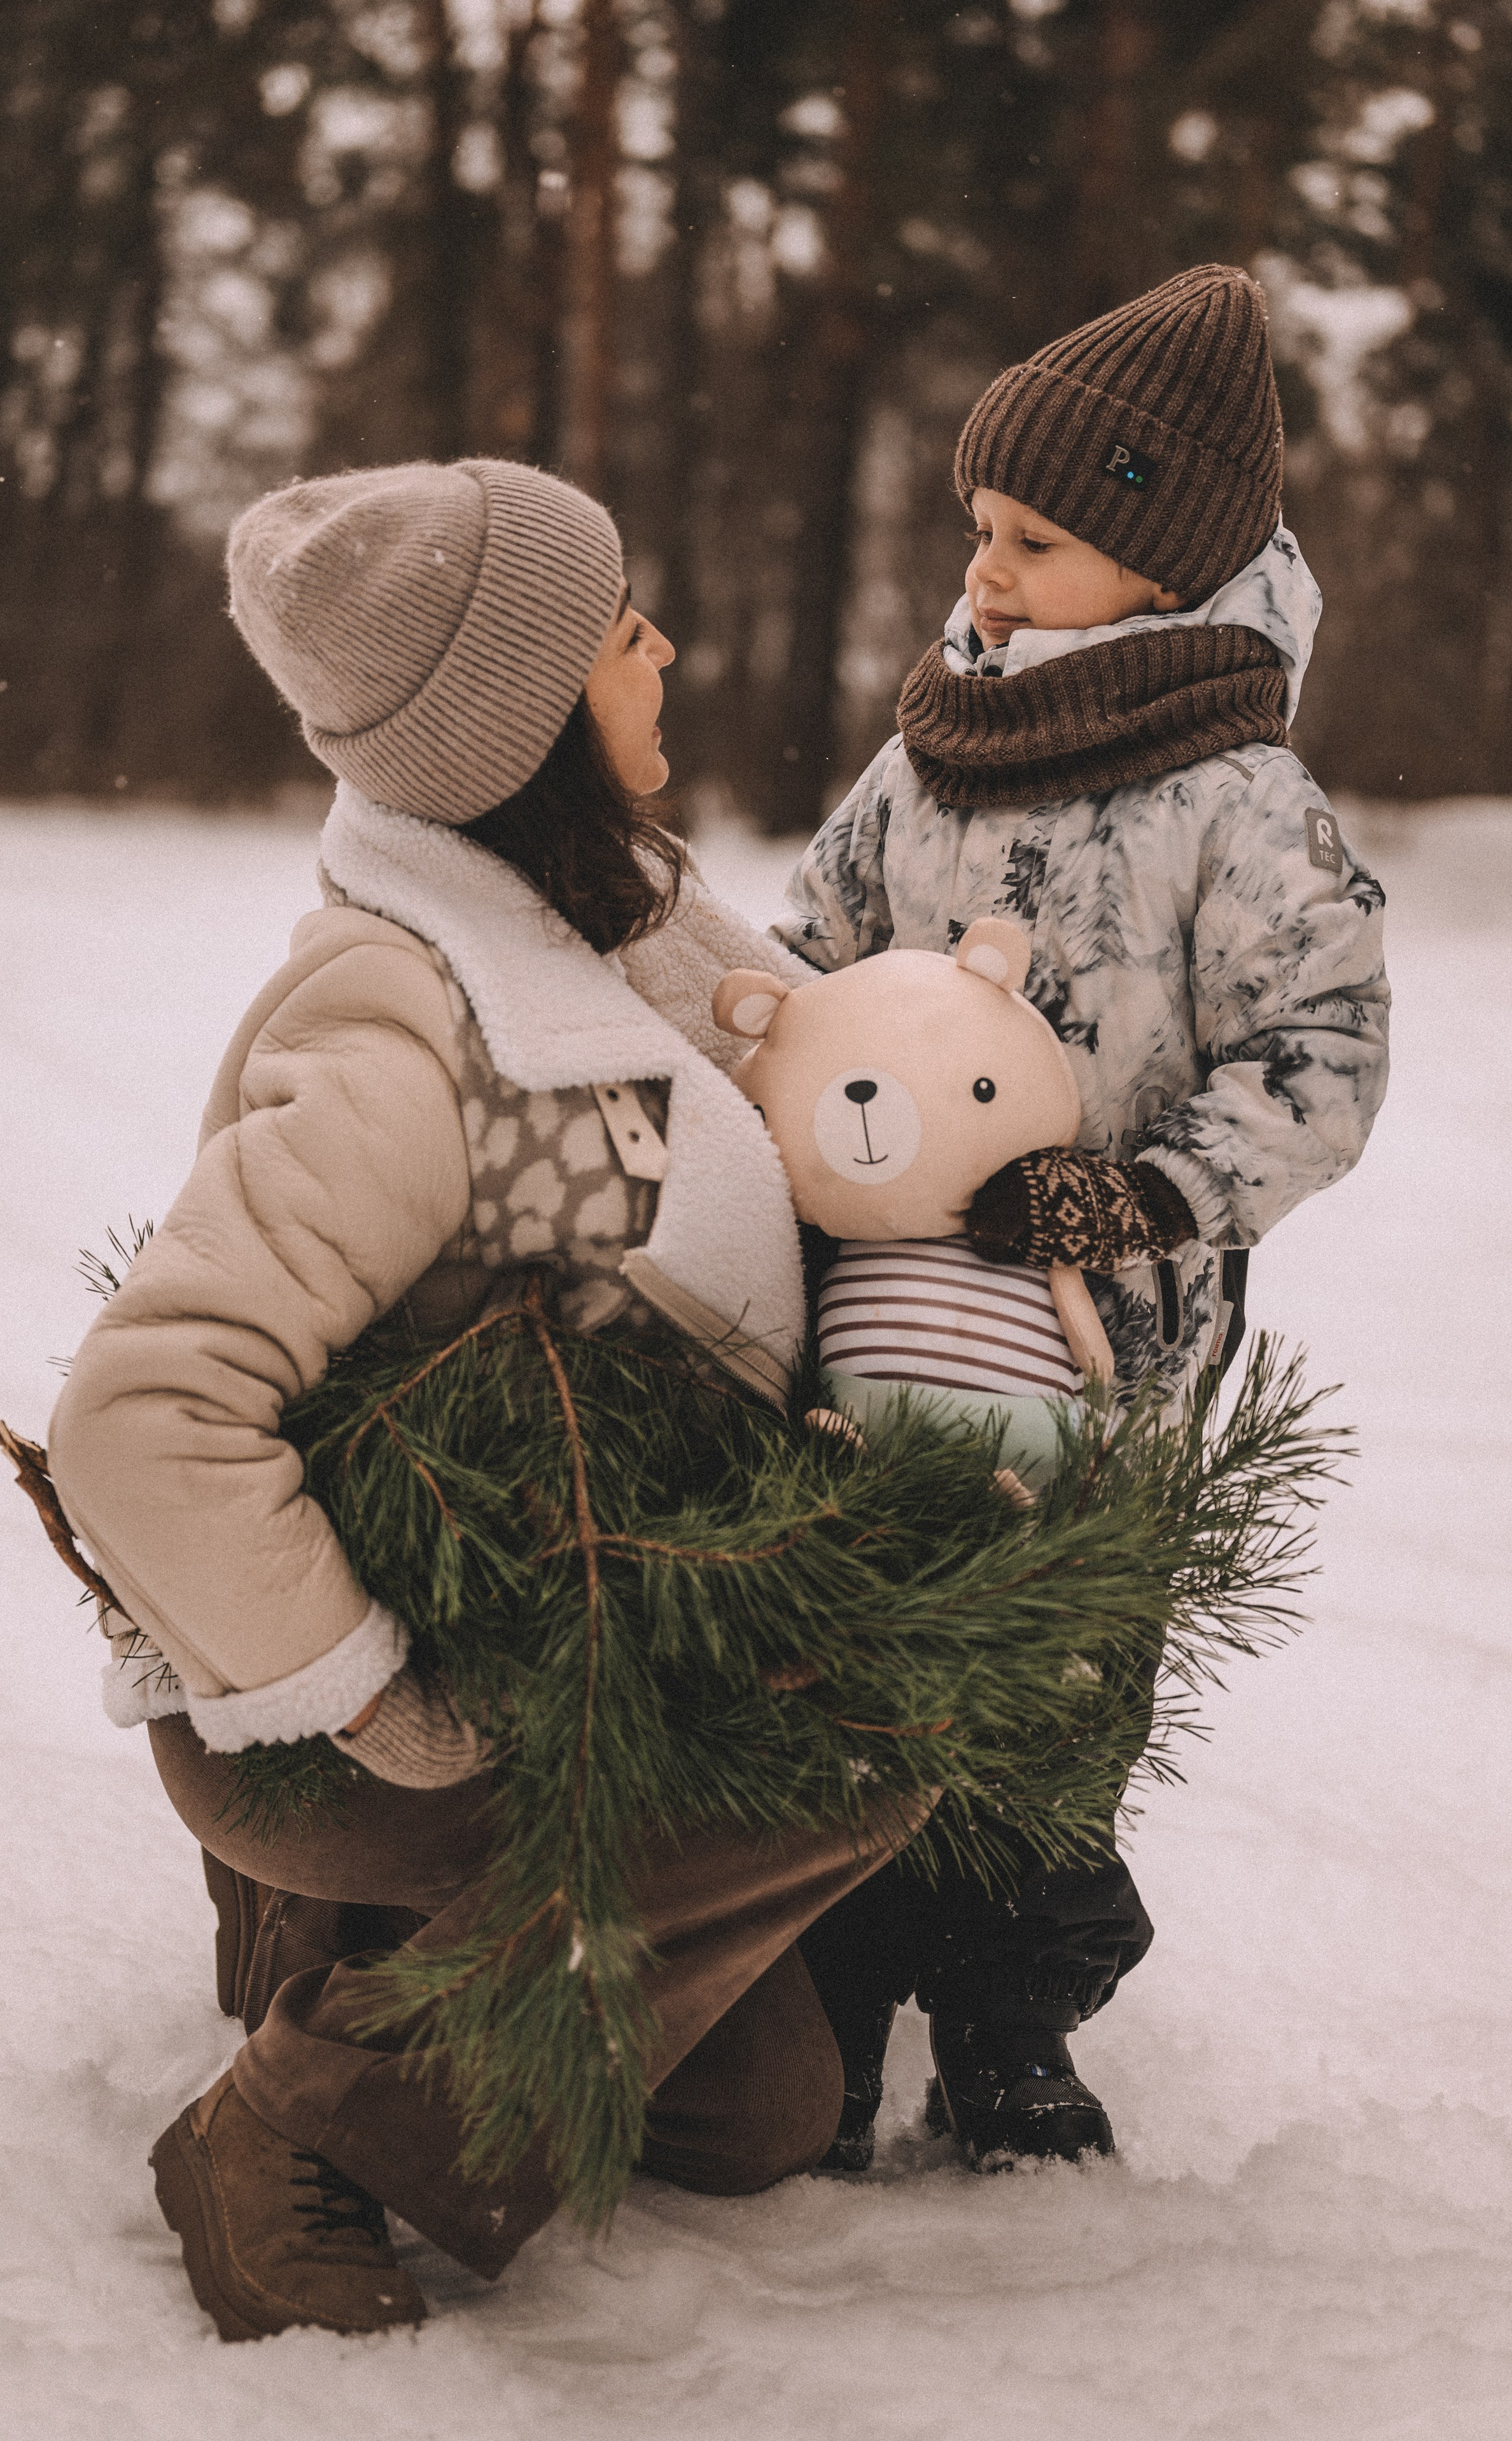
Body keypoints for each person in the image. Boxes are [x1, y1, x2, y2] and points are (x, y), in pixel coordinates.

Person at [46, 456, 923, 2341]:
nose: (665, 649)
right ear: (527, 718)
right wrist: (370, 1695)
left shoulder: (623, 929)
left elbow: (845, 1104)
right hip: (360, 1701)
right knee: (863, 1740)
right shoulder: (411, 1024)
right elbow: (140, 1412)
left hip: (551, 1635)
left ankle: (336, 1947)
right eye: (623, 632)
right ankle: (285, 2126)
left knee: (760, 2112)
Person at [776, 265, 1391, 2174]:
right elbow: (808, 962)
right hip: (878, 1327)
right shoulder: (920, 761)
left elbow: (1323, 1051)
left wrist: (1143, 1194)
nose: (990, 574)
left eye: (1037, 540)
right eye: (980, 533)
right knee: (847, 1648)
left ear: (1162, 563)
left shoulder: (1243, 802)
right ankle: (819, 1997)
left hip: (1105, 1355)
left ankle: (1004, 2011)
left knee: (1052, 1679)